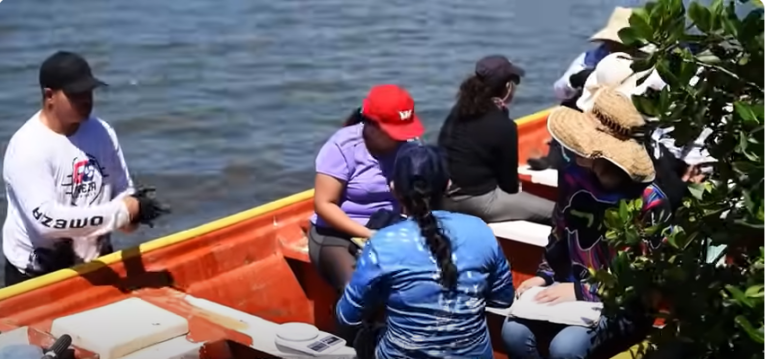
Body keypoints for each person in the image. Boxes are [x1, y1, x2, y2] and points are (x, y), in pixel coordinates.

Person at [501, 89, 671, 359]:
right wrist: (542, 277)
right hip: (566, 291)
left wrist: (583, 291)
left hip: (620, 305)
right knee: (514, 332)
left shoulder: (650, 200)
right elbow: (559, 234)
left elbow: (649, 280)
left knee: (565, 349)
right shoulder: (573, 177)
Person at [2, 51, 170, 287]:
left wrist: (134, 214)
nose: (86, 100)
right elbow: (48, 221)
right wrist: (120, 213)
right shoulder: (28, 148)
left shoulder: (102, 133)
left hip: (95, 264)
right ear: (49, 96)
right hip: (36, 274)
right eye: (75, 94)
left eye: (89, 92)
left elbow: (122, 191)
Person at [336, 144, 514, 359]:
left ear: (393, 188)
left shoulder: (383, 243)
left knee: (364, 337)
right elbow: (503, 299)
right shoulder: (481, 230)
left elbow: (347, 316)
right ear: (448, 185)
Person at [309, 84, 424, 292]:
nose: (401, 138)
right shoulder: (343, 146)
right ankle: (353, 323)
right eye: (394, 132)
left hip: (393, 227)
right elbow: (324, 204)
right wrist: (368, 235)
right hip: (338, 233)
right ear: (371, 125)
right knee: (357, 289)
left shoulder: (411, 146)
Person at [438, 55, 554, 225]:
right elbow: (509, 185)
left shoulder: (457, 112)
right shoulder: (504, 125)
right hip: (477, 201)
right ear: (507, 86)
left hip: (444, 197)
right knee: (556, 211)